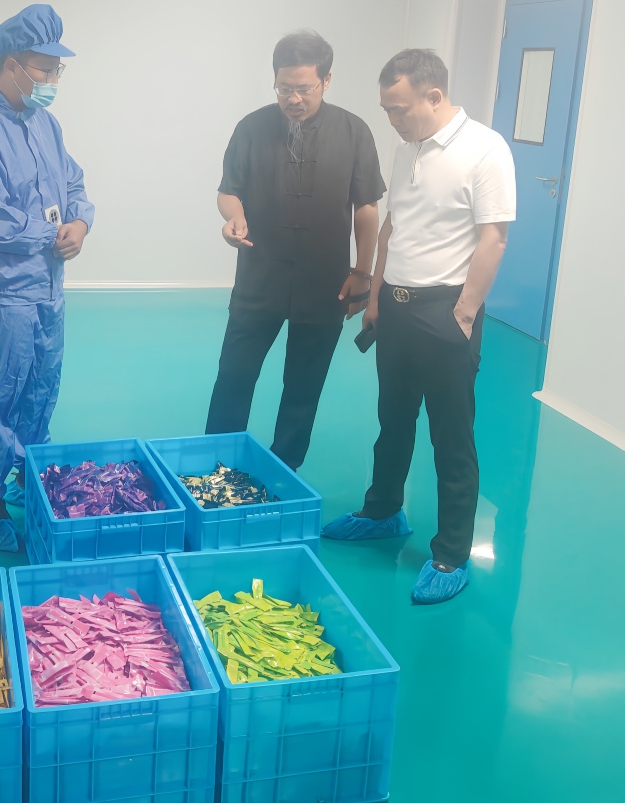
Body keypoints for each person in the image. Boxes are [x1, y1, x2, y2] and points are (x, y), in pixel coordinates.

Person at [322, 49, 516, 605]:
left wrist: (465, 313)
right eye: (386, 109)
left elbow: (494, 238)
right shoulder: (407, 148)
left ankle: (451, 553)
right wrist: (377, 294)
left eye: (399, 109)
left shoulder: (485, 149)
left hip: (446, 310)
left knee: (450, 435)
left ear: (434, 96)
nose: (392, 119)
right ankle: (383, 511)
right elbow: (393, 226)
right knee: (393, 419)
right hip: (398, 307)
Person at [0, 4, 94, 552]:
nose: (53, 78)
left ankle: (26, 476)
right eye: (44, 68)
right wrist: (51, 234)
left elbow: (74, 183)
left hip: (49, 286)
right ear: (12, 66)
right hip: (6, 290)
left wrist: (80, 222)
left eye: (58, 68)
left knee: (40, 388)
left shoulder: (44, 123)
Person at [206, 31, 385, 471]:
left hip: (326, 282)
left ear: (327, 80)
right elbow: (228, 191)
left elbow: (366, 207)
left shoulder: (354, 132)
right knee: (234, 376)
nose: (293, 99)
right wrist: (233, 218)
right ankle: (215, 465)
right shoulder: (251, 128)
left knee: (304, 386)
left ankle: (285, 469)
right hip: (258, 278)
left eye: (304, 88)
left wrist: (362, 274)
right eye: (284, 88)